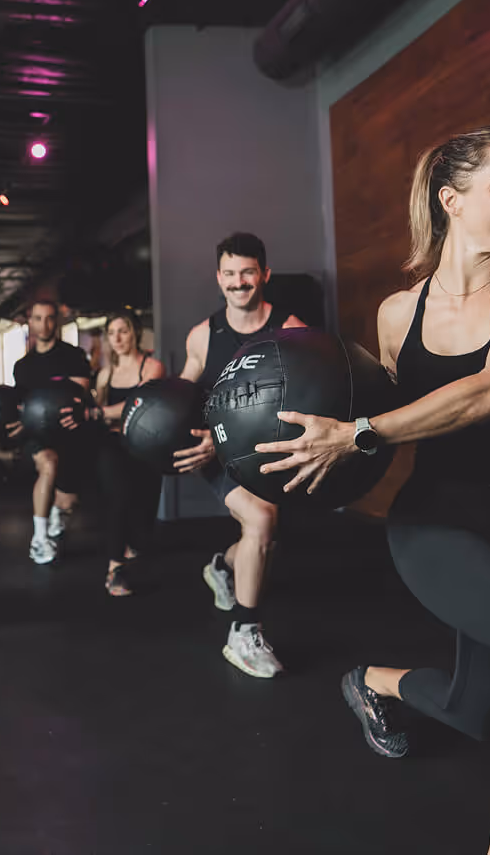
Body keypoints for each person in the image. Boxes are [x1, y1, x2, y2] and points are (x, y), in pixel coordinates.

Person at [255, 126, 490, 854]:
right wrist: (248, 455)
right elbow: (357, 426)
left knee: (477, 710)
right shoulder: (395, 315)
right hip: (440, 524)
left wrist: (360, 432)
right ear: (452, 198)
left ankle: (373, 681)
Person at [176, 232, 306, 678]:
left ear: (264, 274)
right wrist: (198, 437)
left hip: (269, 451)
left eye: (247, 272)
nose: (238, 282)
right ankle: (243, 633)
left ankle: (220, 567)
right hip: (218, 453)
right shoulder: (202, 336)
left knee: (265, 536)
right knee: (263, 522)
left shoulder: (292, 332)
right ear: (218, 277)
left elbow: (311, 393)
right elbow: (182, 400)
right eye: (229, 273)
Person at [9, 300, 91, 565]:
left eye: (49, 318)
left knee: (68, 501)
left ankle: (57, 510)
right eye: (38, 318)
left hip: (68, 433)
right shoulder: (22, 366)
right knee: (48, 464)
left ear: (56, 321)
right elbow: (20, 404)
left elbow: (79, 395)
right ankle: (39, 539)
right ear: (30, 322)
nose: (43, 324)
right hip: (36, 434)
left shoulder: (73, 356)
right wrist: (19, 422)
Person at [92, 310, 165, 595]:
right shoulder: (105, 374)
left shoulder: (151, 368)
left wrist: (101, 412)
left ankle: (132, 542)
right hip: (112, 445)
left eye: (123, 331)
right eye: (111, 333)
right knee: (119, 498)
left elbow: (139, 404)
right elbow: (96, 415)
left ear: (134, 332)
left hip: (145, 446)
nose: (117, 338)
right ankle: (114, 569)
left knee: (145, 509)